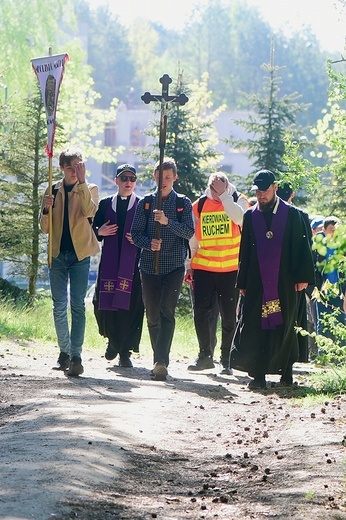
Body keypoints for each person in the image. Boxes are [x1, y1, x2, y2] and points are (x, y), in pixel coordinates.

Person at [231, 170, 315, 389]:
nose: (261, 196)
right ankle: (257, 374)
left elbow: (302, 248)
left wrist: (303, 278)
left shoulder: (293, 215)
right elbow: (245, 252)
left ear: (275, 187)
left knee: (286, 325)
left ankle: (286, 374)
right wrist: (243, 283)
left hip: (285, 281)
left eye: (265, 191)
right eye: (258, 191)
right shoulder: (251, 216)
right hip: (257, 282)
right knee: (256, 326)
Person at [131, 157, 194, 381]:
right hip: (149, 266)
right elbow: (135, 234)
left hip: (174, 266)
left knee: (167, 312)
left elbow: (189, 232)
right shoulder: (146, 203)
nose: (164, 181)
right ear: (154, 177)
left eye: (168, 177)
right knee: (152, 314)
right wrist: (149, 243)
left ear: (175, 177)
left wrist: (168, 222)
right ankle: (157, 359)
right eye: (160, 177)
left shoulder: (183, 203)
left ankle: (161, 361)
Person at [40, 148, 99, 376]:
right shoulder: (52, 189)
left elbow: (89, 211)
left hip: (79, 255)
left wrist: (82, 183)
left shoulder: (90, 188)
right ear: (62, 168)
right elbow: (44, 228)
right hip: (57, 254)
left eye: (78, 166)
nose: (74, 171)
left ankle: (76, 355)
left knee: (77, 305)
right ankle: (64, 351)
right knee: (58, 305)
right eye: (70, 167)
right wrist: (46, 208)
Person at [185, 172, 246, 374]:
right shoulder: (199, 205)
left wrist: (225, 196)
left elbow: (239, 219)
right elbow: (193, 239)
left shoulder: (238, 200)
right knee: (201, 313)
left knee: (229, 317)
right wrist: (189, 265)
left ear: (228, 186)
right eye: (214, 189)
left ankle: (226, 358)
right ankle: (205, 355)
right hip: (203, 268)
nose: (217, 193)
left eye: (221, 188)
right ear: (208, 187)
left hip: (230, 270)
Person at [92, 164, 144, 367]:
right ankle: (112, 341)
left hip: (133, 267)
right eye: (124, 179)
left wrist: (139, 239)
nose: (128, 182)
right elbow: (92, 228)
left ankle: (125, 352)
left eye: (132, 179)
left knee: (130, 308)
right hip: (109, 266)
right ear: (116, 181)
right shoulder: (105, 204)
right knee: (103, 304)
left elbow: (149, 233)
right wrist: (99, 232)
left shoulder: (142, 205)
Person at [276, 183, 313, 363]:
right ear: (293, 194)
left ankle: (280, 357)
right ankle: (290, 359)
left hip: (279, 278)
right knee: (292, 319)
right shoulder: (300, 215)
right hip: (292, 278)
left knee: (274, 316)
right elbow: (307, 249)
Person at [313, 216, 346, 341]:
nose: (334, 232)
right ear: (324, 230)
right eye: (331, 229)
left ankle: (341, 358)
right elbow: (314, 269)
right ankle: (323, 357)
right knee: (322, 324)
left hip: (340, 292)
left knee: (341, 323)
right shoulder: (318, 246)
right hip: (323, 292)